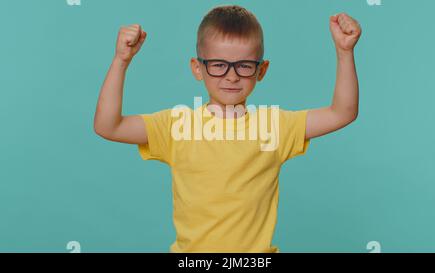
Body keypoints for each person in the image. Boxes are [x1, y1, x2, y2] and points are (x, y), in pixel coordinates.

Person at [94, 5, 362, 253]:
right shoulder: (177, 126)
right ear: (198, 68)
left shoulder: (275, 126)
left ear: (261, 70)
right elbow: (108, 126)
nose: (231, 76)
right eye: (219, 65)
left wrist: (344, 53)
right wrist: (121, 60)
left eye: (244, 65)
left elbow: (343, 112)